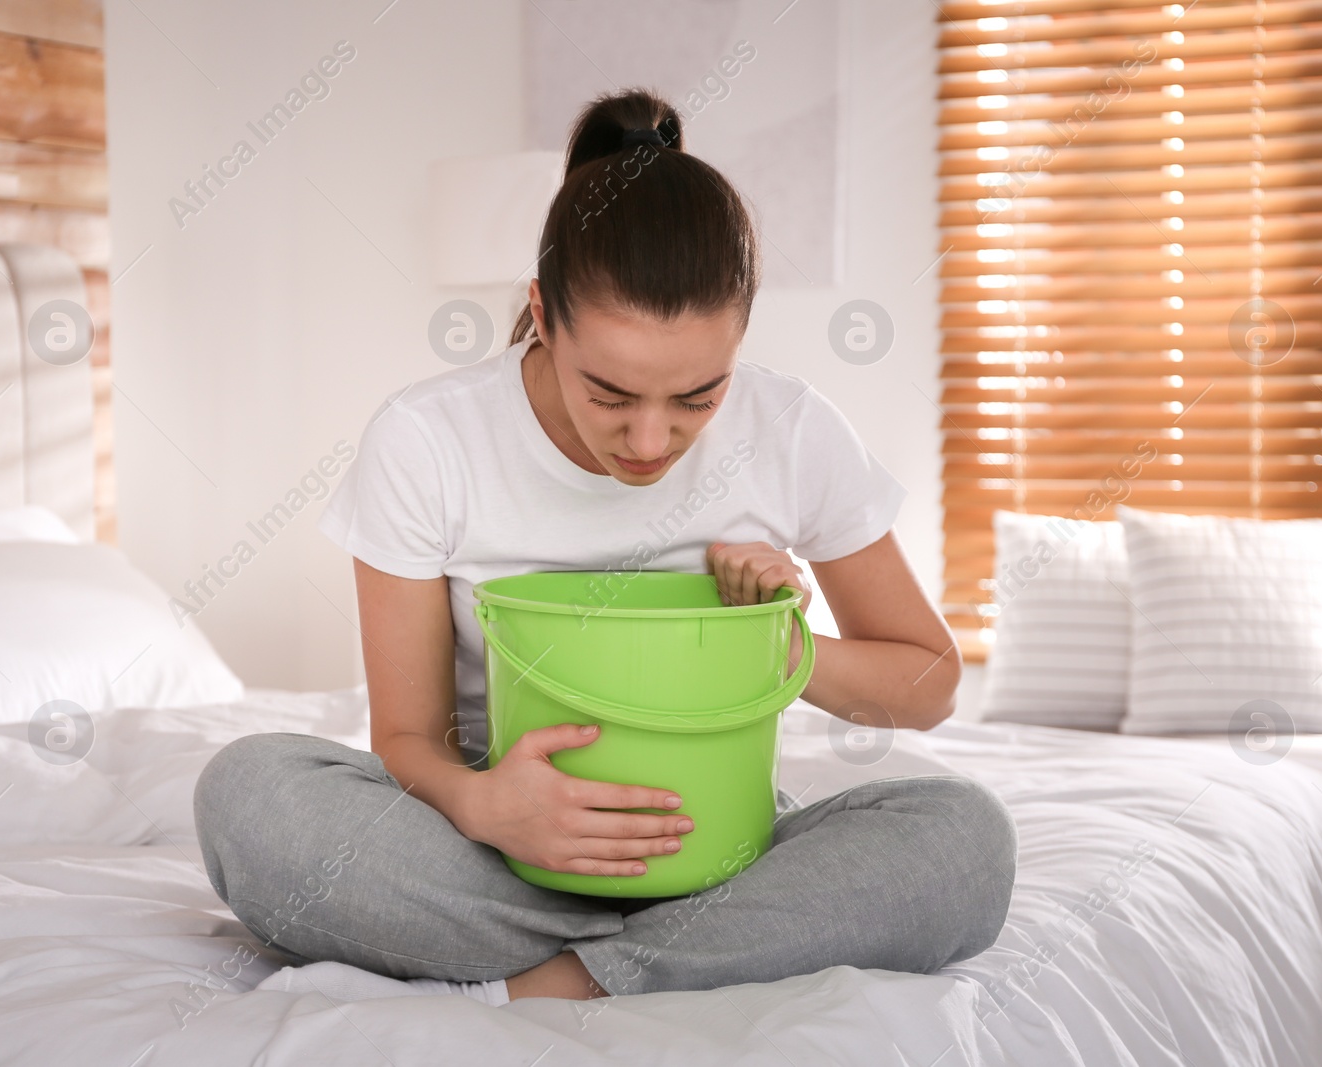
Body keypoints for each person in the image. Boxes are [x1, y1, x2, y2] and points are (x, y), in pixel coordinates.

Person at [194, 87, 1016, 1008]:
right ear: (543, 318)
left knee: (964, 838)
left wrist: (781, 647)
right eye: (613, 395)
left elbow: (932, 682)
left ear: (741, 337)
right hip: (491, 851)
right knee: (251, 793)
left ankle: (570, 976)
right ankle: (697, 953)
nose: (652, 442)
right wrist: (482, 804)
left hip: (718, 850)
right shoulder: (427, 438)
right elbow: (408, 741)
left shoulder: (792, 429)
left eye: (698, 397)